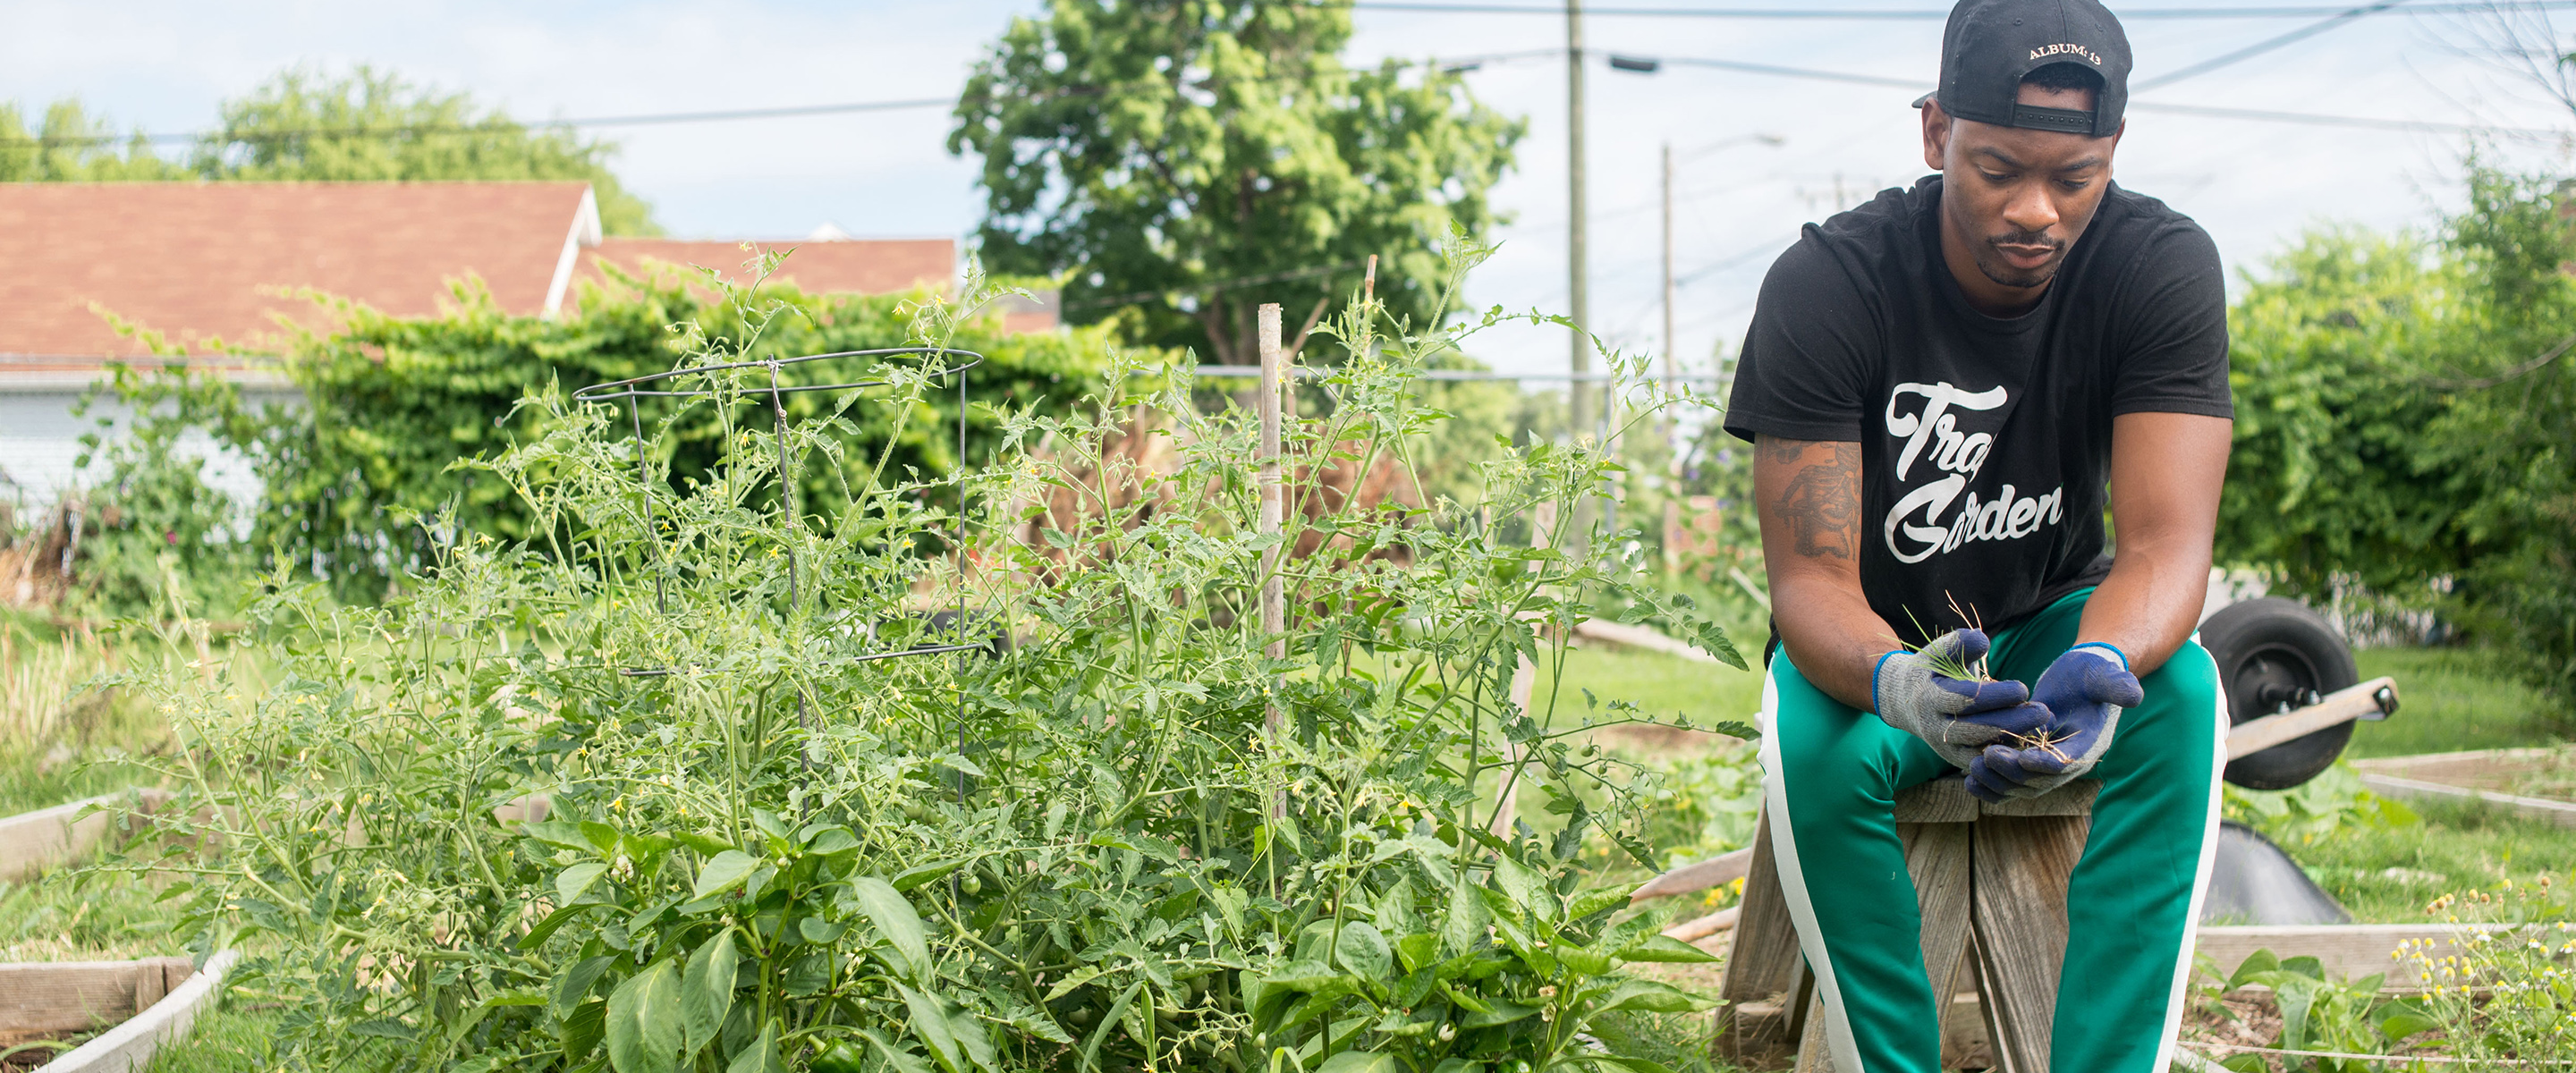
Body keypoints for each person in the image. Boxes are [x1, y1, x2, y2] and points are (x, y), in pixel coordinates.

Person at [1720, 0, 2233, 1069]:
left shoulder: (2159, 268)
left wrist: (2100, 660)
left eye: (2074, 177)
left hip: (2047, 629)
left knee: (2182, 697)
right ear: (1935, 131)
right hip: (1879, 652)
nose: (2036, 211)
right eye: (1998, 169)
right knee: (1813, 749)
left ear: (2114, 154)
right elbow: (1808, 582)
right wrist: (1903, 685)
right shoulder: (1829, 285)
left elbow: (2164, 547)